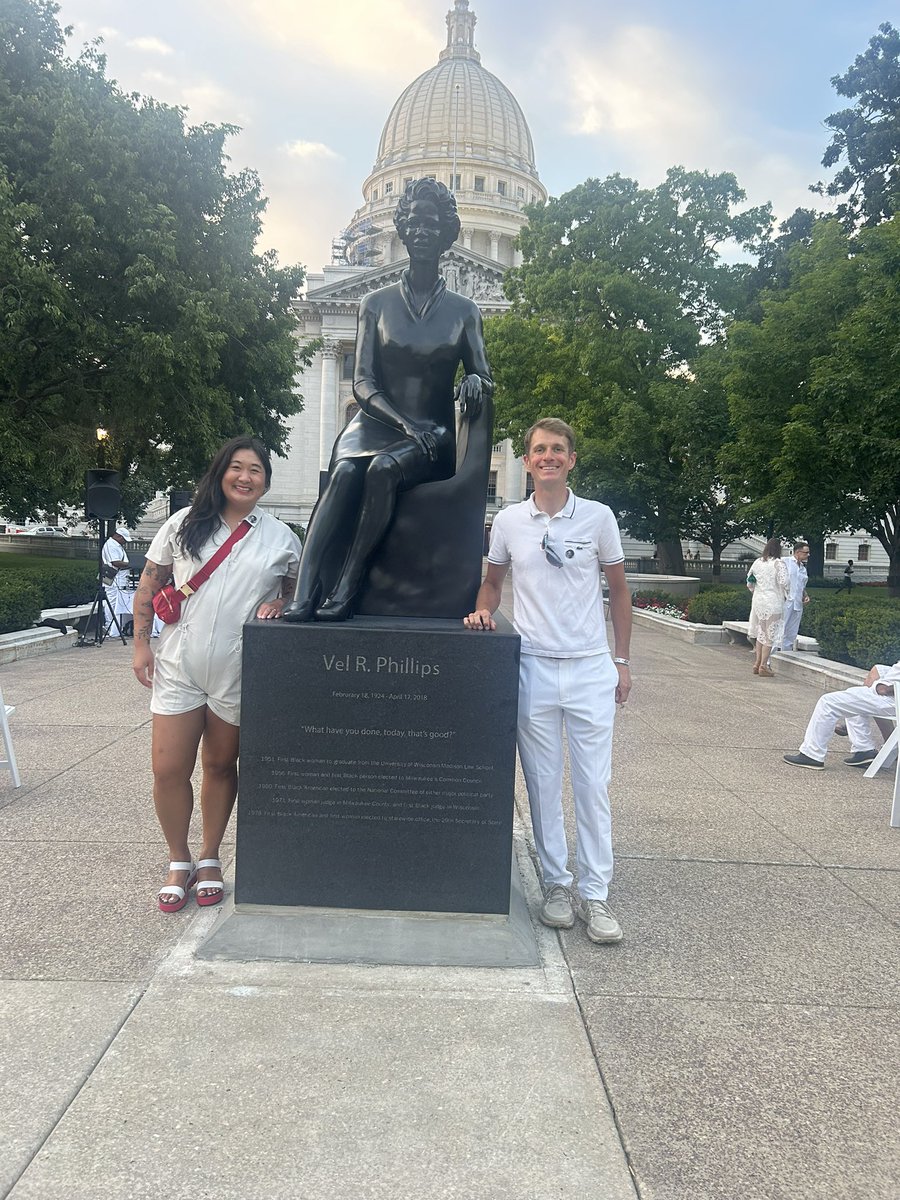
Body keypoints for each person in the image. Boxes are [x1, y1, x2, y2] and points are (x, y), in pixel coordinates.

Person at [284, 177, 492, 623]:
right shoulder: (374, 302)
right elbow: (361, 383)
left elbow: (481, 373)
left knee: (381, 469)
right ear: (400, 228)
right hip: (377, 421)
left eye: (430, 224)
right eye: (412, 222)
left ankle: (347, 584)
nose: (420, 231)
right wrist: (402, 425)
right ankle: (303, 594)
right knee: (342, 474)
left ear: (447, 233)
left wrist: (476, 381)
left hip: (432, 434)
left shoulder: (465, 310)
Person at [464, 418, 632, 944]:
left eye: (557, 449)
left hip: (588, 667)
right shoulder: (510, 521)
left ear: (572, 459)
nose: (548, 457)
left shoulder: (599, 517)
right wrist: (482, 612)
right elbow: (491, 583)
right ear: (527, 461)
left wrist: (621, 661)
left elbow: (620, 591)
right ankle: (558, 886)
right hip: (533, 667)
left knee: (592, 785)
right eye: (539, 450)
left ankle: (596, 894)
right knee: (540, 784)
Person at [132, 437, 301, 912]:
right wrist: (141, 645)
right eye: (237, 468)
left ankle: (209, 856)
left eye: (256, 471)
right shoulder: (184, 524)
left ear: (266, 481)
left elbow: (299, 595)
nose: (245, 477)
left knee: (221, 765)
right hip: (180, 663)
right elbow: (151, 584)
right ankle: (177, 857)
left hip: (238, 667)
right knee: (168, 768)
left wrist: (282, 604)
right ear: (221, 472)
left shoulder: (281, 538)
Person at [784, 661, 899, 770]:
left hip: (892, 701)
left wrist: (875, 687)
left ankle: (811, 754)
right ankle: (864, 750)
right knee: (869, 680)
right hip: (893, 697)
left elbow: (883, 689)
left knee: (828, 702)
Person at [746, 539, 790, 676]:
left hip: (759, 601)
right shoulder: (779, 563)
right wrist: (787, 595)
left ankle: (757, 663)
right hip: (773, 601)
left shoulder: (757, 562)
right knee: (770, 635)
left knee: (761, 633)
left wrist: (756, 591)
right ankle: (764, 666)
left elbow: (749, 581)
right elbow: (785, 583)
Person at [101, 526, 132, 634]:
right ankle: (110, 626)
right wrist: (128, 564)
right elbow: (115, 562)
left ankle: (116, 625)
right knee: (112, 601)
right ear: (118, 536)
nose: (124, 542)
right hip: (113, 576)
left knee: (115, 600)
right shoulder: (111, 545)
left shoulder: (116, 544)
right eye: (123, 539)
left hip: (116, 576)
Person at [781, 542, 810, 651]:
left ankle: (785, 653)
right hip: (786, 601)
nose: (807, 555)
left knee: (792, 632)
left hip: (797, 603)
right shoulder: (785, 562)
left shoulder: (803, 568)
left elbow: (801, 585)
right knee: (781, 629)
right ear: (798, 552)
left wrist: (805, 595)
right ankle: (769, 657)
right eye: (806, 552)